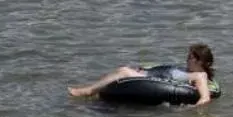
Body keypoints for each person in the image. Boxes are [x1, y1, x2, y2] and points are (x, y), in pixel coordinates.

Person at [69, 44, 215, 105]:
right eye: (188, 56)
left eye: (191, 57)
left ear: (202, 62)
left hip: (159, 82)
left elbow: (205, 98)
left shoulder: (200, 76)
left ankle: (87, 91)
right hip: (153, 76)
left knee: (123, 71)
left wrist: (195, 112)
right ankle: (96, 91)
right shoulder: (185, 70)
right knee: (124, 71)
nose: (187, 59)